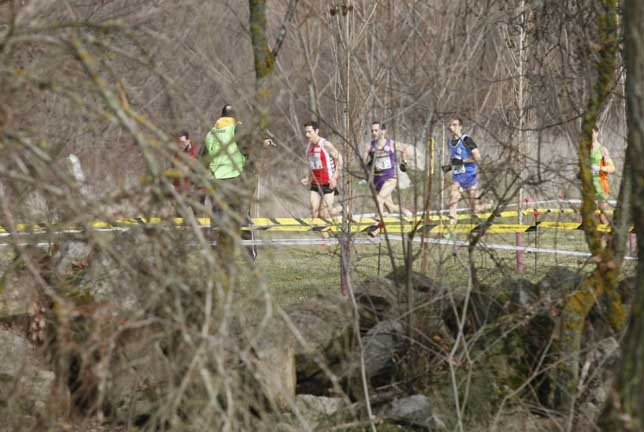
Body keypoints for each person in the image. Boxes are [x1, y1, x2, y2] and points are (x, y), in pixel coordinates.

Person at [203, 104, 257, 260]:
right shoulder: (236, 129)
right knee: (243, 219)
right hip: (235, 179)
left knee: (219, 220)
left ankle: (220, 255)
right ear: (234, 117)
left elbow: (203, 159)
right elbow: (248, 150)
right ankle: (250, 254)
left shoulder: (210, 134)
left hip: (216, 182)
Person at [363, 121, 412, 222]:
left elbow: (404, 149)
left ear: (383, 131)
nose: (374, 133)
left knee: (379, 199)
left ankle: (378, 224)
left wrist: (404, 162)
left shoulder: (391, 144)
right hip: (377, 180)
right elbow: (363, 163)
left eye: (376, 130)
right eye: (372, 131)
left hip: (390, 178)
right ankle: (405, 212)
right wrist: (368, 165)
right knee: (390, 208)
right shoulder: (369, 146)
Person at [300, 121, 343, 236]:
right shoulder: (308, 148)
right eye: (306, 132)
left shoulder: (325, 144)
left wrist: (335, 177)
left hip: (328, 183)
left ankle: (342, 209)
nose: (307, 135)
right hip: (315, 184)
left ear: (316, 131)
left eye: (309, 132)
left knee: (324, 214)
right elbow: (312, 165)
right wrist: (308, 178)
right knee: (314, 213)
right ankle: (326, 241)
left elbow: (340, 159)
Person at [442, 117, 482, 224]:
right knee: (453, 199)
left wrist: (462, 161)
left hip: (470, 175)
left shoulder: (466, 140)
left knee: (474, 205)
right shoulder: (450, 142)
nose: (452, 127)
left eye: (455, 125)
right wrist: (449, 166)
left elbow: (477, 157)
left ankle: (482, 211)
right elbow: (454, 157)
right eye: (451, 125)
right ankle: (451, 227)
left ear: (460, 127)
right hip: (458, 175)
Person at [591, 126, 615, 226]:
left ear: (597, 133)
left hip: (601, 185)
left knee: (602, 216)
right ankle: (597, 240)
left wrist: (600, 168)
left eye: (591, 133)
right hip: (589, 186)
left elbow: (612, 168)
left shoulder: (602, 150)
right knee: (591, 216)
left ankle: (610, 239)